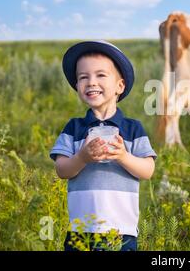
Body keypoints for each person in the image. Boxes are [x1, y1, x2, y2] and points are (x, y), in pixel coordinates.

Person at [49, 40, 157, 251]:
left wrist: (124, 157)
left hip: (121, 231)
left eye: (100, 75)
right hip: (80, 230)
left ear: (120, 86)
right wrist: (82, 158)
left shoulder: (133, 129)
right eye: (83, 77)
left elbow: (148, 170)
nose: (91, 82)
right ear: (77, 86)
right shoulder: (74, 128)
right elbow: (61, 170)